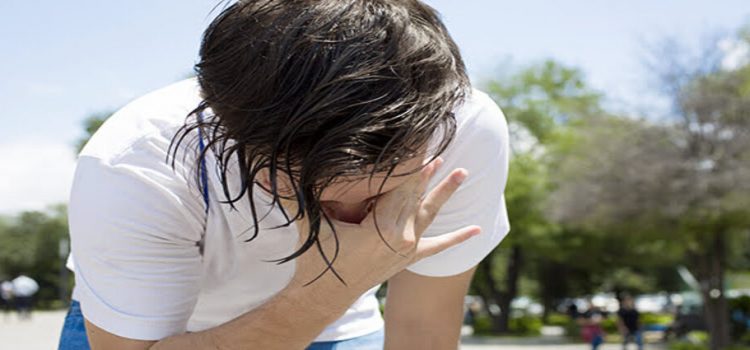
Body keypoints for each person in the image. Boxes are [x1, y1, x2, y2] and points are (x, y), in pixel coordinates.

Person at [58, 1, 510, 349]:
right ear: (228, 136)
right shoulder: (137, 166)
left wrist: (331, 300)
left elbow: (421, 329)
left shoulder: (464, 133)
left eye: (382, 193)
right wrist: (325, 292)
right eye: (315, 198)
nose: (357, 226)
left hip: (341, 328)